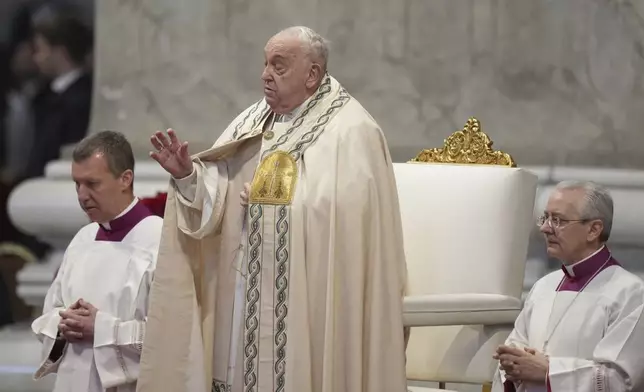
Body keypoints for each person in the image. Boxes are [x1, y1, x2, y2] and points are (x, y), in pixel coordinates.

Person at [137, 26, 408, 392]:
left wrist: (275, 207)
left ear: (312, 74)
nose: (265, 74)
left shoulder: (353, 131)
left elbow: (345, 219)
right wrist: (188, 176)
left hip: (308, 300)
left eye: (278, 66)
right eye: (265, 64)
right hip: (243, 295)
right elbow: (219, 196)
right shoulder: (253, 120)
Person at [31, 131, 163, 392]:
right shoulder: (84, 238)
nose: (81, 195)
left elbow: (171, 335)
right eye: (77, 184)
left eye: (92, 184)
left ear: (125, 179)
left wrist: (100, 329)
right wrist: (62, 323)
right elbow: (51, 310)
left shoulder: (160, 240)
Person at [492, 181, 644, 392]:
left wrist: (548, 371)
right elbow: (515, 347)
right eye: (545, 218)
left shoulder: (631, 294)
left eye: (558, 220)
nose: (545, 228)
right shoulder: (543, 286)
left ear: (593, 229)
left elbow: (622, 380)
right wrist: (511, 364)